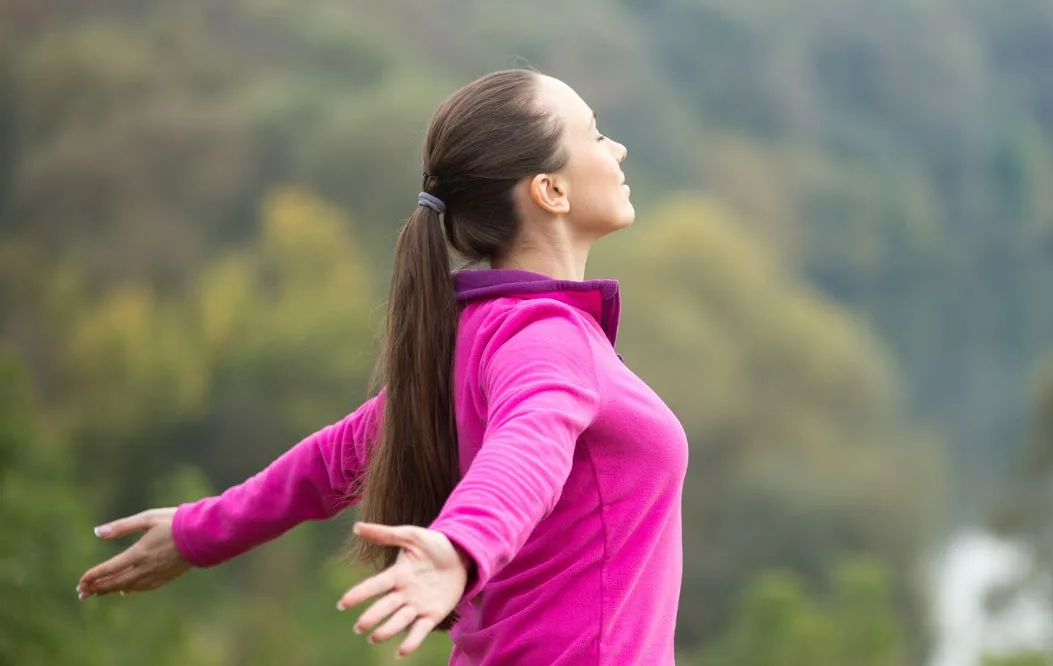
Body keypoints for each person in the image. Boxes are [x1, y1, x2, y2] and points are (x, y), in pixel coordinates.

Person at [76, 68, 689, 665]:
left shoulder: (481, 334)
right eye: (597, 134)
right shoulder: (547, 338)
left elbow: (333, 460)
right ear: (550, 190)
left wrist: (197, 532)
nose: (619, 148)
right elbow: (530, 444)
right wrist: (460, 545)